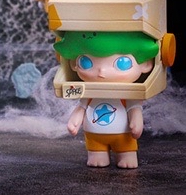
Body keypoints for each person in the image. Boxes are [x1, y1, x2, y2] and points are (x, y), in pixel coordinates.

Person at [54, 30, 157, 169]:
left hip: (124, 135)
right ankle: (97, 153)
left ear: (145, 64)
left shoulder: (127, 93)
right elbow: (82, 107)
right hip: (93, 136)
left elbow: (134, 108)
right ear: (73, 64)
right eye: (86, 62)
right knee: (97, 157)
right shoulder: (89, 92)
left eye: (122, 63)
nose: (102, 72)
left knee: (126, 155)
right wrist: (75, 120)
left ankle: (126, 154)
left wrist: (136, 121)